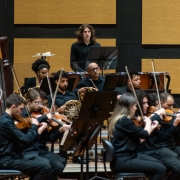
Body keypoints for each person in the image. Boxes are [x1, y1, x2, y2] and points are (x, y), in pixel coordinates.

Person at [108, 93, 167, 180]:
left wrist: (152, 127)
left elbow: (140, 139)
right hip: (123, 161)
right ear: (129, 107)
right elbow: (144, 134)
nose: (136, 108)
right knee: (161, 169)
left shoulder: (119, 119)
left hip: (125, 158)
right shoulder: (123, 120)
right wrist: (148, 122)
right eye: (135, 106)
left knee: (158, 163)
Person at [0, 93, 52, 180]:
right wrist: (34, 126)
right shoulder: (5, 123)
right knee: (45, 167)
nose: (21, 112)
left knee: (46, 163)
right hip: (6, 160)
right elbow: (25, 139)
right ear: (13, 107)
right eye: (20, 109)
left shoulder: (10, 120)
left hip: (14, 156)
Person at [22, 88, 70, 180]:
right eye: (37, 103)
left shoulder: (40, 114)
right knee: (56, 166)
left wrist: (59, 130)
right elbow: (26, 138)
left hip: (40, 148)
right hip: (28, 150)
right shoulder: (23, 115)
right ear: (28, 101)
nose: (40, 106)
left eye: (42, 103)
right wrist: (40, 125)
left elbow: (49, 137)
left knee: (62, 161)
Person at [138, 92, 180, 180]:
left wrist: (177, 124)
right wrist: (174, 125)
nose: (171, 108)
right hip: (159, 148)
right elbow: (162, 138)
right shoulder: (150, 118)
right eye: (169, 105)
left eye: (172, 105)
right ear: (159, 102)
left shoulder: (168, 116)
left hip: (168, 147)